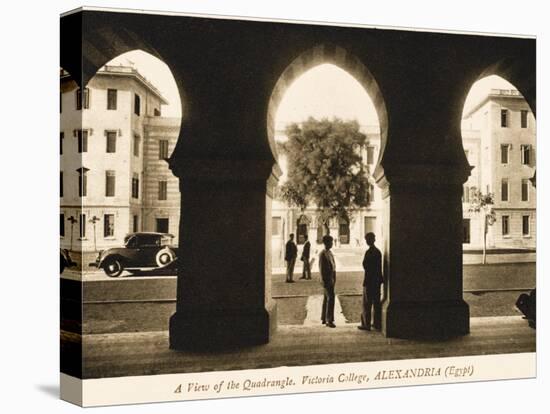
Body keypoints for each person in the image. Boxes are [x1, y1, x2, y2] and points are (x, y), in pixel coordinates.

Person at [358, 232, 384, 331]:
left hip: (369, 280)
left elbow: (365, 265)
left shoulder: (369, 252)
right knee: (376, 303)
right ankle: (377, 323)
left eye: (367, 239)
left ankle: (366, 324)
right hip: (376, 281)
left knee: (367, 303)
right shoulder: (378, 252)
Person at [319, 235, 336, 328]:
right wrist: (324, 280)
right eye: (331, 242)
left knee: (326, 298)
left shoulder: (329, 252)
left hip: (331, 278)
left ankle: (324, 318)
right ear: (326, 243)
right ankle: (329, 320)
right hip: (327, 279)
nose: (332, 243)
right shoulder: (323, 254)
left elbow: (333, 265)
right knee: (331, 298)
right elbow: (322, 269)